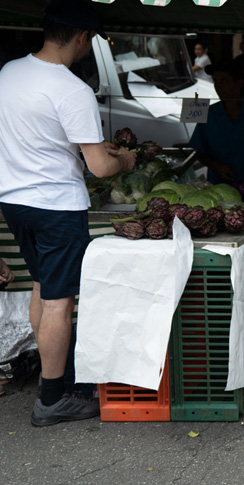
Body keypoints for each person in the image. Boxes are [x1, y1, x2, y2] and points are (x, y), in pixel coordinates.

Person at [0, 0, 136, 426]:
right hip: (56, 206)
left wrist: (91, 149)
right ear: (82, 37)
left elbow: (44, 138)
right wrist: (124, 160)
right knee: (60, 302)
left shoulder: (9, 73)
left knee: (43, 288)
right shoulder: (73, 89)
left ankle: (51, 378)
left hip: (14, 200)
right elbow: (100, 168)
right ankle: (53, 398)